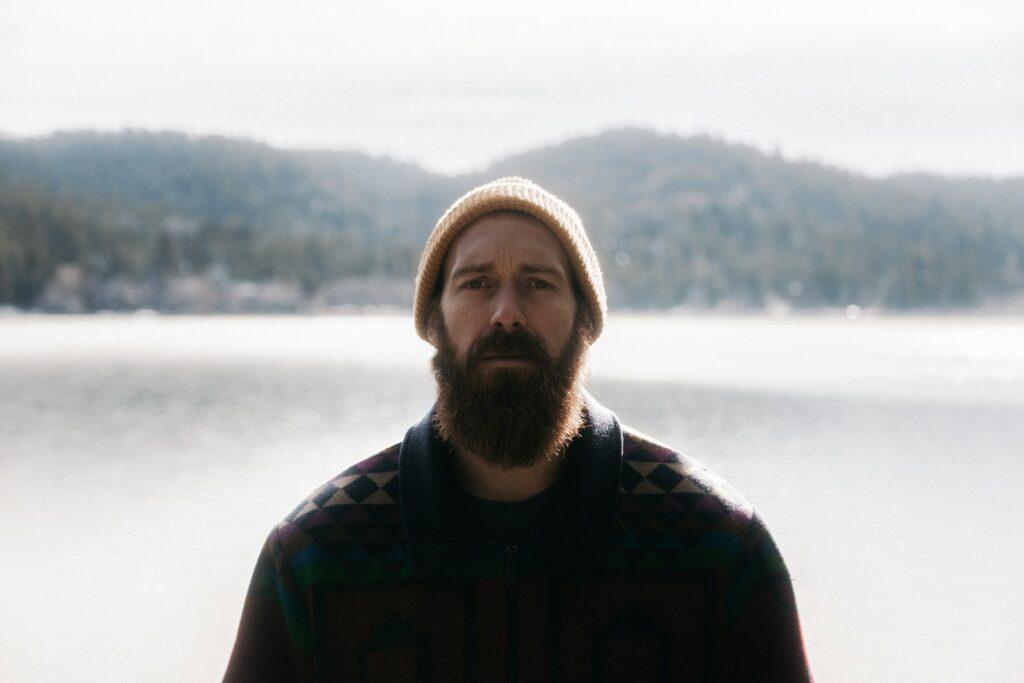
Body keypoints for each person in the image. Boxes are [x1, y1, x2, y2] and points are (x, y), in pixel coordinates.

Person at [225, 177, 813, 682]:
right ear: (433, 320)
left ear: (585, 320)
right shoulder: (315, 555)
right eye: (477, 283)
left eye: (538, 283)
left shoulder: (715, 545)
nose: (506, 312)